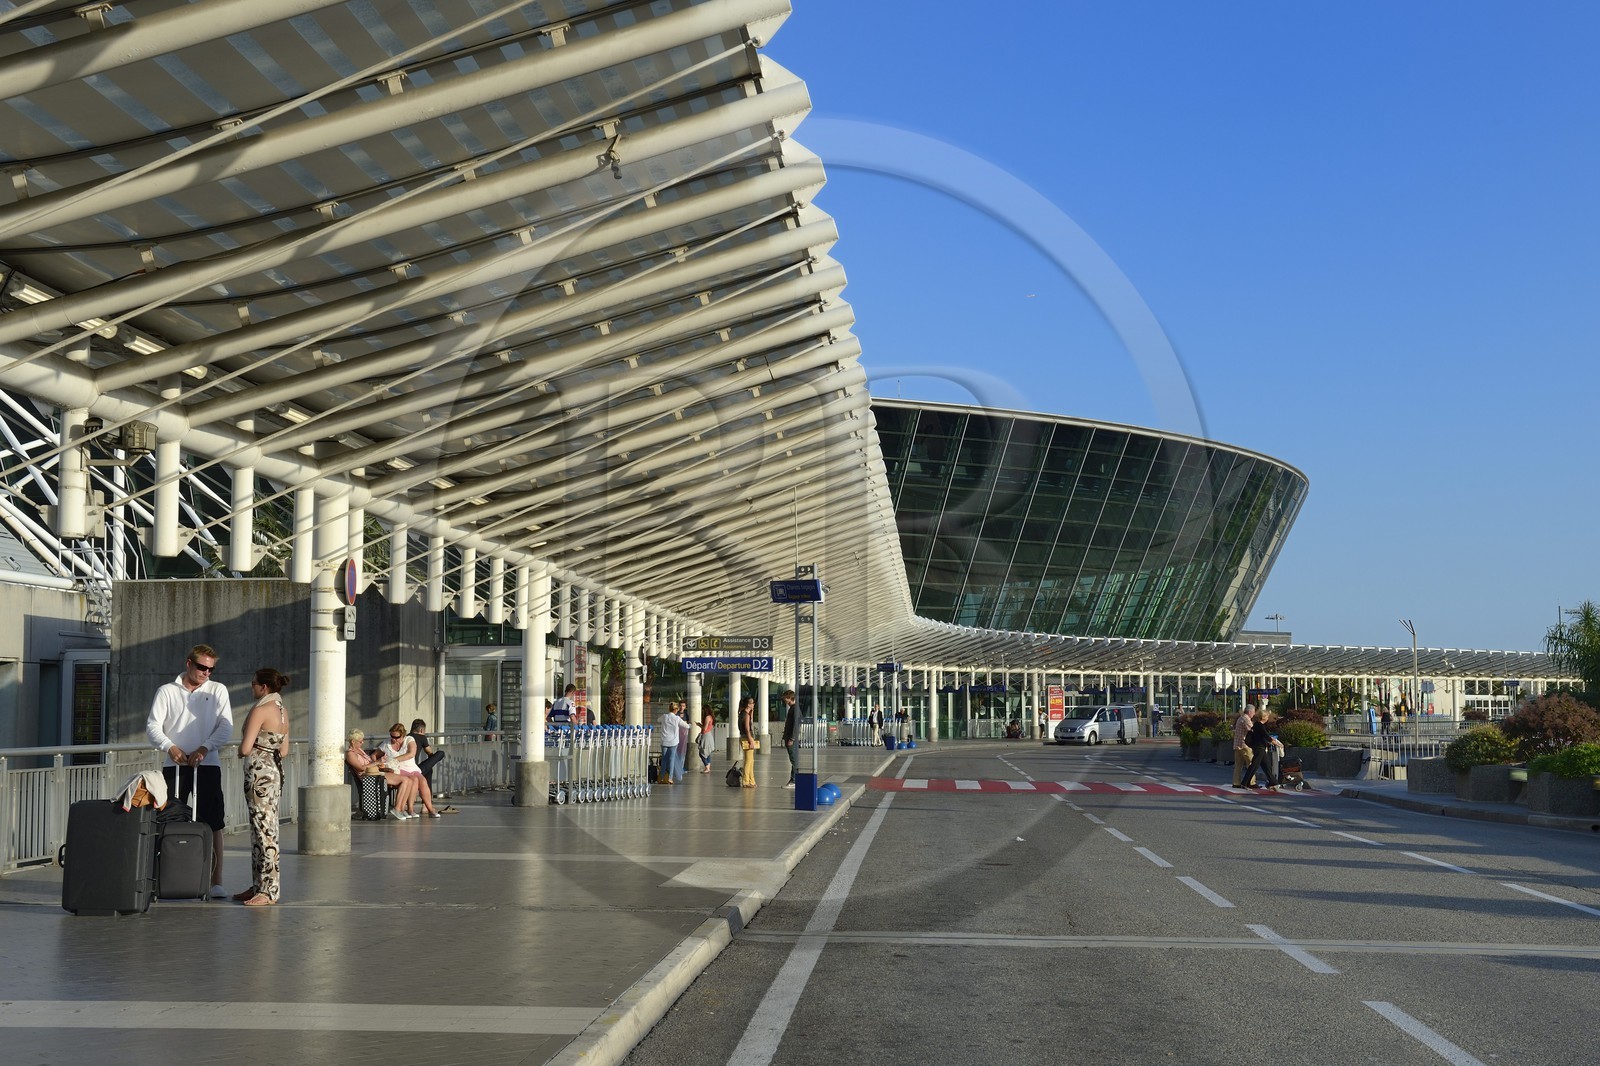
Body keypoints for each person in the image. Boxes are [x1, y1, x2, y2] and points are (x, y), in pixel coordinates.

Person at [146, 643, 233, 898]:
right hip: (174, 765)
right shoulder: (166, 691)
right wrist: (169, 747)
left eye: (211, 669)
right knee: (166, 820)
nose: (206, 673)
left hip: (207, 765)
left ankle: (216, 881)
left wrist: (205, 748)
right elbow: (153, 726)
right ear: (188, 664)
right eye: (202, 667)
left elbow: (225, 727)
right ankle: (163, 878)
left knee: (214, 822)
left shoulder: (218, 690)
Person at [234, 668, 290, 906]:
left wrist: (240, 750)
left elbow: (246, 748)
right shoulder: (283, 711)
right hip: (274, 772)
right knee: (267, 828)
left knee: (262, 831)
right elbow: (284, 751)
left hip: (258, 774)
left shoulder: (260, 709)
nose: (252, 687)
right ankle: (260, 885)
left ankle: (268, 891)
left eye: (254, 683)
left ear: (264, 687)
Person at [378, 723, 438, 817]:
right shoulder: (387, 743)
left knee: (423, 781)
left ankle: (430, 809)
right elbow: (374, 755)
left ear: (403, 735)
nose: (393, 738)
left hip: (411, 767)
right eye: (391, 736)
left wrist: (394, 759)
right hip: (398, 769)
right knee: (414, 780)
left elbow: (411, 754)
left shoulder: (409, 739)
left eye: (396, 737)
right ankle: (410, 809)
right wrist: (379, 763)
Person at [1248, 713, 1285, 791]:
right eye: (1267, 716)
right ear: (1264, 717)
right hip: (1260, 748)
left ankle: (1273, 782)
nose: (1268, 718)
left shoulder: (1257, 725)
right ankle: (1245, 782)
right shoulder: (1260, 726)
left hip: (1259, 747)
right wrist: (1277, 744)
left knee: (1266, 766)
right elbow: (1266, 736)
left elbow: (1263, 736)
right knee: (1254, 766)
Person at [410, 718, 445, 797]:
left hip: (404, 769)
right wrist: (431, 760)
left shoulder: (406, 737)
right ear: (422, 730)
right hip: (413, 770)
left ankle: (426, 804)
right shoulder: (421, 737)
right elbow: (429, 752)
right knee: (441, 753)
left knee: (429, 770)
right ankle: (426, 804)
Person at [656, 701, 684, 785]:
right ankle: (670, 778)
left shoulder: (664, 716)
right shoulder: (677, 718)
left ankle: (661, 778)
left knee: (664, 759)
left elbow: (658, 720)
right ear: (675, 710)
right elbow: (685, 725)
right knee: (671, 760)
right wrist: (689, 725)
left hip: (664, 741)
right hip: (673, 742)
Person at [1232, 703, 1257, 789]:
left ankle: (1236, 782)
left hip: (1237, 744)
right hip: (1245, 745)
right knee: (1251, 763)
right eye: (1253, 712)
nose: (1254, 714)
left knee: (1238, 765)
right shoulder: (1246, 719)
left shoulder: (1240, 718)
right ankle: (1251, 782)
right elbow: (1252, 730)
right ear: (1249, 712)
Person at [739, 694, 758, 788]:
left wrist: (752, 712)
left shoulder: (744, 713)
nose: (753, 704)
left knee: (751, 760)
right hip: (747, 738)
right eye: (752, 703)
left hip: (745, 737)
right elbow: (747, 729)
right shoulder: (745, 715)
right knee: (748, 761)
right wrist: (751, 741)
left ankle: (751, 780)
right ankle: (746, 781)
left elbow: (751, 722)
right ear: (748, 704)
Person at [781, 690, 799, 790]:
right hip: (790, 737)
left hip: (791, 738)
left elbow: (796, 725)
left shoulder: (794, 709)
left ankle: (794, 780)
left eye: (785, 698)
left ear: (789, 698)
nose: (784, 700)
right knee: (794, 759)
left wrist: (792, 738)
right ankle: (794, 779)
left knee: (794, 759)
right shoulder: (792, 708)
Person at [697, 703, 718, 774]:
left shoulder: (707, 717)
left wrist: (699, 725)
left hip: (705, 735)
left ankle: (706, 766)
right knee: (707, 752)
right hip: (709, 735)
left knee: (702, 753)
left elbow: (705, 728)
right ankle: (708, 767)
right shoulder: (711, 717)